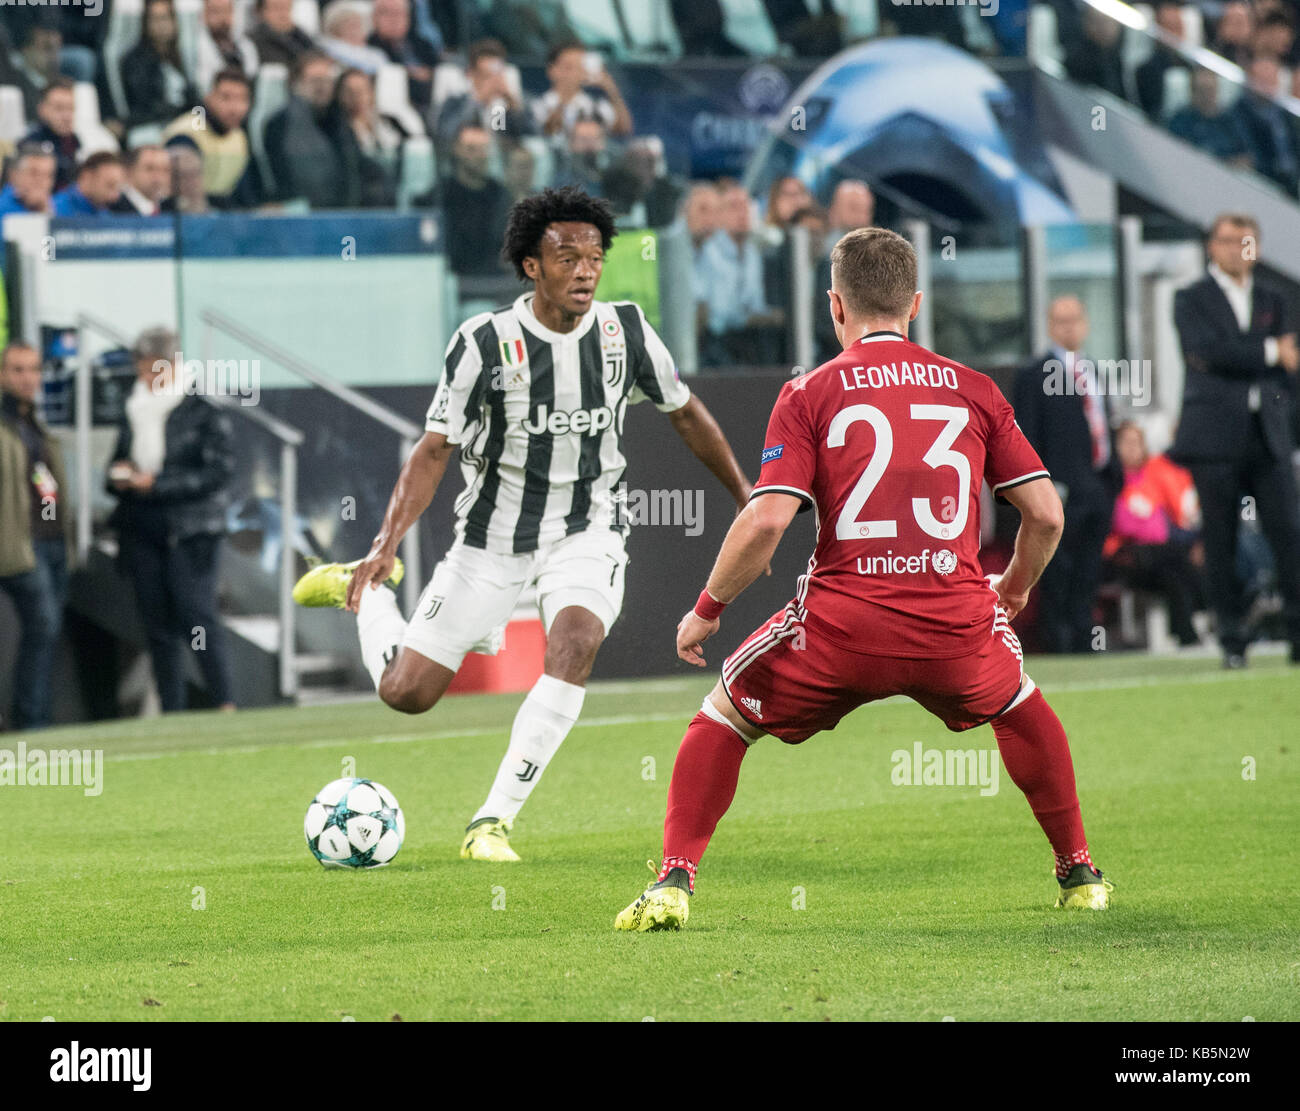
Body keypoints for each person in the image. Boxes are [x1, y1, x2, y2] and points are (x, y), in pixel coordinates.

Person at [613, 227, 1110, 932]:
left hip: (841, 631)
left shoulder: (809, 391)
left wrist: (707, 608)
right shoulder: (974, 389)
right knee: (1021, 704)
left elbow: (765, 521)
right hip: (954, 624)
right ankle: (1079, 872)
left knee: (721, 717)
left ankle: (673, 881)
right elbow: (1047, 515)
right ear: (916, 304)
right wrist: (1016, 588)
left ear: (835, 307)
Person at [293, 186, 754, 863]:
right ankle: (366, 594)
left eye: (594, 258)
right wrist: (383, 545)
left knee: (575, 640)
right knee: (407, 694)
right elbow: (434, 450)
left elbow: (683, 410)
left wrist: (745, 494)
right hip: (491, 541)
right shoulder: (484, 343)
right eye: (567, 258)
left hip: (589, 528)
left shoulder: (625, 331)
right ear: (532, 266)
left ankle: (491, 822)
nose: (585, 271)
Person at [1169, 213, 1300, 667]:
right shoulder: (1190, 298)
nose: (1237, 249)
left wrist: (1266, 363)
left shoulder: (1274, 298)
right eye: (1227, 240)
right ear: (1211, 245)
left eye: (1245, 241)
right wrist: (1268, 351)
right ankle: (1231, 638)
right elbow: (1205, 352)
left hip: (1269, 435)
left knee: (1289, 533)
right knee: (1220, 538)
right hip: (1214, 439)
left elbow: (1288, 366)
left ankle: (1296, 633)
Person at [106, 327, 237, 713]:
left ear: (174, 363)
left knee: (197, 615)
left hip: (191, 529)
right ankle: (172, 711)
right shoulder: (134, 406)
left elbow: (218, 471)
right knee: (157, 624)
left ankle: (224, 702)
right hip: (142, 526)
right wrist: (122, 477)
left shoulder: (203, 406)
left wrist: (159, 483)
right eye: (143, 370)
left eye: (155, 369)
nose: (149, 378)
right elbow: (115, 465)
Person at [0, 342, 71, 730]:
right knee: (43, 625)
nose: (28, 378)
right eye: (18, 369)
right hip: (20, 545)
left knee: (46, 631)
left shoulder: (35, 425)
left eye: (34, 369)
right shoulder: (5, 425)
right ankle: (31, 721)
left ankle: (36, 718)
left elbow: (48, 484)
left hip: (52, 540)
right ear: (2, 375)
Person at [1103, 421, 1204, 647]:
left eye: (1136, 442)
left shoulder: (1151, 478)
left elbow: (1161, 526)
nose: (1132, 448)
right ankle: (1189, 630)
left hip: (1156, 555)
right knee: (1175, 560)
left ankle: (1187, 633)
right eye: (1126, 442)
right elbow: (1124, 525)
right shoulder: (1111, 482)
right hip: (1122, 555)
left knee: (1175, 571)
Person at [697, 180, 783, 366]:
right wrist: (761, 317)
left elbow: (755, 302)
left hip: (749, 339)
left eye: (746, 206)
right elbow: (719, 315)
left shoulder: (752, 253)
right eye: (733, 207)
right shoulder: (709, 252)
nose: (742, 213)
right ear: (719, 215)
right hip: (716, 344)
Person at [416, 122, 510, 274]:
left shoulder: (499, 194)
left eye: (484, 149)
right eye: (472, 149)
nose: (480, 156)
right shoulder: (441, 195)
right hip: (452, 275)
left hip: (493, 277)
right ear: (457, 150)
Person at [263, 51, 352, 207]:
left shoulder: (340, 121)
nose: (322, 87)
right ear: (295, 83)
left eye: (327, 81)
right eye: (315, 81)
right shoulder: (281, 123)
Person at [163, 69, 260, 205]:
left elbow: (243, 195)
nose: (235, 108)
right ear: (208, 97)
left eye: (242, 99)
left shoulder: (239, 137)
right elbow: (182, 199)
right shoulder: (186, 134)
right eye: (226, 98)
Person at [433, 39, 534, 149]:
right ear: (471, 73)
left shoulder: (499, 107)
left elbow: (524, 133)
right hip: (463, 154)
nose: (492, 82)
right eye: (486, 77)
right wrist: (478, 99)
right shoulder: (457, 99)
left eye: (495, 76)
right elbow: (445, 132)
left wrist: (511, 101)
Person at [118, 0, 201, 131]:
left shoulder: (180, 57)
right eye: (155, 19)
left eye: (165, 18)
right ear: (146, 23)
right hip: (149, 127)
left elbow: (192, 97)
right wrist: (180, 114)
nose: (161, 25)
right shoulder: (135, 60)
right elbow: (145, 107)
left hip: (182, 124)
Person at [531, 41, 632, 141]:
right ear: (552, 70)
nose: (576, 72)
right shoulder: (536, 105)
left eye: (580, 67)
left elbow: (623, 129)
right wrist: (563, 98)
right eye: (569, 67)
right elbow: (547, 133)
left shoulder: (595, 105)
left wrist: (611, 90)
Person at [1232, 56, 1300, 192]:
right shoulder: (1240, 112)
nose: (1268, 87)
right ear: (1251, 80)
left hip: (1292, 181)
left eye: (1272, 81)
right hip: (1263, 182)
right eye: (1264, 81)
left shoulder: (1283, 113)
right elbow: (1251, 152)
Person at [1169, 68, 1254, 166]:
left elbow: (1247, 157)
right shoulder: (1180, 120)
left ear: (1217, 90)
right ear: (1192, 92)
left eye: (1209, 90)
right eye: (1201, 91)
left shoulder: (1231, 122)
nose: (1206, 96)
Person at [369, 0, 439, 111]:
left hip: (432, 96)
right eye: (387, 13)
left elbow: (437, 65)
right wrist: (411, 73)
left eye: (399, 13)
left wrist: (427, 74)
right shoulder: (370, 46)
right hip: (397, 104)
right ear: (374, 18)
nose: (394, 20)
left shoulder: (420, 42)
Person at [1135, 1, 1189, 119]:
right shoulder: (1147, 70)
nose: (1175, 34)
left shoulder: (1190, 67)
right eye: (1170, 28)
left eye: (1178, 27)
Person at [22, 80, 80, 191]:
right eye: (59, 108)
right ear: (42, 109)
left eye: (71, 108)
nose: (67, 116)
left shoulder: (75, 143)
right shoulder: (30, 145)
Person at [195, 0, 259, 94]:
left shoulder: (246, 46)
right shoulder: (196, 48)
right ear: (204, 15)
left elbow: (252, 77)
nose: (223, 18)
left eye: (227, 11)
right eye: (216, 11)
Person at [52, 152, 126, 216]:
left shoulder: (105, 214)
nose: (115, 196)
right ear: (87, 176)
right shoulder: (54, 209)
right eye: (109, 185)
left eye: (118, 188)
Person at [247, 0, 317, 69]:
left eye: (287, 8)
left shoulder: (300, 37)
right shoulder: (251, 42)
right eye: (276, 8)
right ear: (260, 12)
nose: (283, 14)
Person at [109, 145, 172, 215]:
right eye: (150, 169)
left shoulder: (171, 209)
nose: (158, 177)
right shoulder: (112, 208)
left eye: (165, 170)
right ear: (130, 171)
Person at [0, 144, 58, 219]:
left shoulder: (56, 206)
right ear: (14, 175)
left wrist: (46, 212)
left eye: (48, 175)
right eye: (34, 173)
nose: (41, 181)